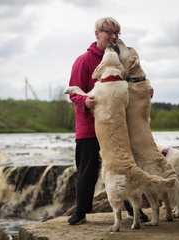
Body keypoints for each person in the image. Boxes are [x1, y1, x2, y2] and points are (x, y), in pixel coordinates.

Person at [67, 16, 148, 225]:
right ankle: (81, 212)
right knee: (88, 169)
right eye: (108, 32)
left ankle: (133, 209)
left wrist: (144, 90)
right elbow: (73, 92)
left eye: (116, 33)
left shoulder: (121, 59)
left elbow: (131, 84)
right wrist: (85, 101)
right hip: (89, 126)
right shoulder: (84, 60)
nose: (113, 37)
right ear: (97, 34)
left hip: (119, 125)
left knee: (125, 166)